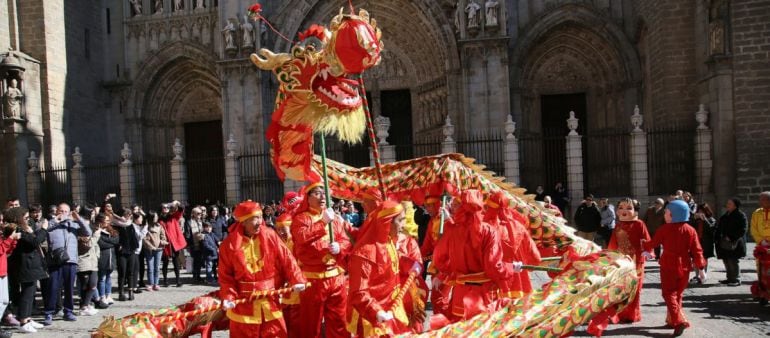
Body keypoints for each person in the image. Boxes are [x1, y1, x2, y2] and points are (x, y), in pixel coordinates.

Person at [218, 200, 306, 337]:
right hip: (244, 304)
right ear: (243, 221)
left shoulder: (270, 235)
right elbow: (225, 276)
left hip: (269, 300)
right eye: (254, 218)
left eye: (260, 217)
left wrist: (297, 278)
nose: (259, 222)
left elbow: (287, 258)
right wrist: (228, 296)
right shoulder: (228, 245)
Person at [432, 190, 522, 322]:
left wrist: (453, 271)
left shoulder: (452, 230)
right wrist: (511, 267)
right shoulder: (489, 231)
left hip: (460, 296)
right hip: (484, 297)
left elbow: (439, 260)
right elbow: (493, 267)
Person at [290, 182, 351, 338]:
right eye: (317, 193)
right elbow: (302, 238)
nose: (322, 196)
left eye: (324, 193)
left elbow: (345, 240)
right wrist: (322, 222)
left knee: (339, 321)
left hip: (336, 277)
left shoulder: (335, 218)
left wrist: (340, 247)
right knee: (312, 323)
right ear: (307, 197)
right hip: (313, 280)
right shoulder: (300, 218)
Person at [347, 200, 412, 336]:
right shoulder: (365, 252)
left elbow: (391, 265)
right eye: (400, 221)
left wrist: (412, 265)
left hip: (392, 310)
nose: (403, 225)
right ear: (388, 222)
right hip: (373, 318)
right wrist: (376, 311)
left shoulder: (388, 241)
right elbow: (358, 292)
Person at [642, 200, 706, 337]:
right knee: (678, 294)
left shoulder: (665, 229)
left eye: (666, 212)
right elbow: (697, 250)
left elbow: (653, 243)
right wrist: (701, 268)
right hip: (685, 265)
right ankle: (672, 320)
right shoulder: (691, 230)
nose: (664, 214)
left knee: (668, 293)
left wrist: (643, 244)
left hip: (669, 264)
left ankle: (678, 321)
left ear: (672, 214)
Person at [484, 191, 541, 301]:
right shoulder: (519, 226)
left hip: (497, 280)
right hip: (520, 279)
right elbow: (534, 255)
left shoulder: (487, 227)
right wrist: (533, 262)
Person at [43, 203, 89, 325]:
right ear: (56, 211)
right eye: (61, 211)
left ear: (69, 212)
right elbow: (42, 231)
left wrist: (78, 218)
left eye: (65, 211)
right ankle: (49, 312)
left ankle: (68, 311)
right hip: (55, 261)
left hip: (71, 260)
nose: (63, 213)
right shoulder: (50, 223)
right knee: (53, 287)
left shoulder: (73, 224)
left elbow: (88, 232)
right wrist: (56, 220)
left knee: (69, 287)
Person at [607, 198, 650, 323]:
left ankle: (632, 314)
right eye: (621, 207)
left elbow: (646, 240)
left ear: (635, 211)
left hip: (636, 262)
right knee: (620, 287)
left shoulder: (639, 224)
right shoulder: (618, 225)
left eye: (628, 208)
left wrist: (648, 251)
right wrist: (609, 257)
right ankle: (619, 314)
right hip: (621, 262)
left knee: (635, 289)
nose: (624, 211)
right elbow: (613, 243)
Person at [715, 198, 747, 286]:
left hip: (734, 243)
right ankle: (729, 278)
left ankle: (736, 279)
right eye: (727, 203)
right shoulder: (726, 215)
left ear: (735, 205)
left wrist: (732, 237)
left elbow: (743, 229)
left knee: (732, 260)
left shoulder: (740, 215)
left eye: (729, 203)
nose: (727, 205)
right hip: (724, 242)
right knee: (726, 260)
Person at [1, 208, 22, 335]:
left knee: (4, 301)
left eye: (2, 220)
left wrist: (13, 241)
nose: (2, 223)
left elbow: (6, 252)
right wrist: (10, 239)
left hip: (3, 271)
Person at [76, 220, 101, 317]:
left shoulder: (91, 236)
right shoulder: (79, 237)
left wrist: (97, 255)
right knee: (86, 286)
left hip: (93, 263)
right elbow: (88, 245)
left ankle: (87, 304)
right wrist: (96, 236)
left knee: (93, 285)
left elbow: (95, 246)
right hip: (83, 264)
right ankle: (84, 306)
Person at [159, 201, 187, 287]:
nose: (166, 209)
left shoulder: (173, 217)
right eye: (164, 207)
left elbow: (181, 209)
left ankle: (178, 280)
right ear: (161, 209)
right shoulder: (159, 219)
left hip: (174, 243)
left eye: (167, 207)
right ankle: (165, 280)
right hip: (165, 243)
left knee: (176, 262)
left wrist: (177, 203)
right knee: (165, 262)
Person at [96, 214, 118, 307]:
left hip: (111, 258)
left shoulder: (112, 230)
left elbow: (116, 241)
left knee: (109, 278)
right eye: (106, 220)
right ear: (101, 221)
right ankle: (102, 296)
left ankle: (108, 295)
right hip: (102, 258)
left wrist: (110, 243)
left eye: (109, 220)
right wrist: (111, 243)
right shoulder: (97, 231)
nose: (108, 222)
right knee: (102, 278)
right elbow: (101, 243)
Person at [690, 203, 716, 284]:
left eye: (702, 211)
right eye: (699, 211)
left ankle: (703, 275)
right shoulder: (696, 220)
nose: (700, 213)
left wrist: (705, 220)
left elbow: (711, 230)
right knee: (694, 259)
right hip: (696, 242)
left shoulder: (711, 219)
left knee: (704, 258)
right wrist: (693, 218)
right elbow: (690, 228)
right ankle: (697, 275)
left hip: (706, 243)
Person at [143, 212, 167, 291]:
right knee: (150, 267)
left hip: (159, 249)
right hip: (149, 250)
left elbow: (163, 236)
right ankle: (150, 283)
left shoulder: (159, 226)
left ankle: (156, 283)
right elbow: (145, 239)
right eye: (155, 216)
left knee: (157, 267)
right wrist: (151, 247)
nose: (156, 218)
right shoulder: (146, 227)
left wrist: (163, 242)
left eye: (157, 216)